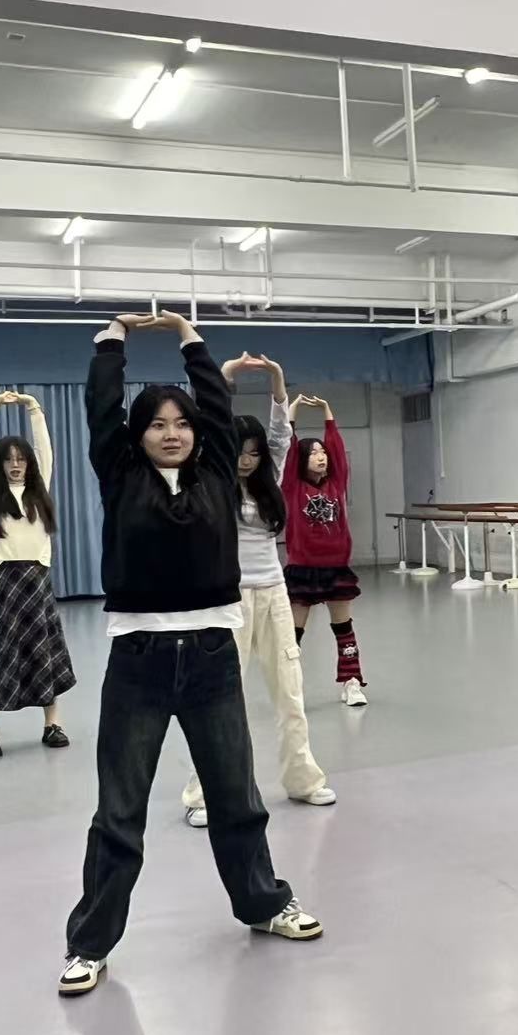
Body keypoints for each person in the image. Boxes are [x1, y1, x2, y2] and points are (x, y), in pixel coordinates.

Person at [60, 312, 321, 998]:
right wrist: (114, 339)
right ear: (137, 436)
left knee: (236, 798)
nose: (172, 433)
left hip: (211, 655)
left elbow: (214, 401)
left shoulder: (215, 470)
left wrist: (187, 335)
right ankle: (89, 943)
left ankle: (263, 903)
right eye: (157, 424)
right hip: (138, 658)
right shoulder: (120, 472)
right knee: (119, 811)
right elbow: (101, 408)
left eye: (181, 423)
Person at [182, 352, 336, 826]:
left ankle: (302, 780)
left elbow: (281, 436)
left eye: (253, 452)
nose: (247, 460)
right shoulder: (212, 479)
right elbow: (206, 426)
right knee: (222, 699)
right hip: (230, 601)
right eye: (240, 451)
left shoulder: (269, 481)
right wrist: (223, 378)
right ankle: (204, 794)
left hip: (274, 596)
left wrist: (277, 380)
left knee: (290, 692)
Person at [0, 390, 75, 757]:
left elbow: (45, 450)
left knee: (43, 652)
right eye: (9, 459)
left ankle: (52, 724)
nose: (15, 465)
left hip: (37, 580)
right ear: (0, 464)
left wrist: (33, 408)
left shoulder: (39, 488)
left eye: (21, 459)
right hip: (4, 580)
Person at [283, 393, 367, 707]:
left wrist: (328, 413)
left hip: (336, 568)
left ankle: (351, 682)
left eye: (323, 452)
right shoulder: (292, 486)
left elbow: (338, 452)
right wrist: (291, 411)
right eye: (313, 453)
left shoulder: (336, 483)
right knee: (293, 634)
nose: (321, 457)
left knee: (343, 628)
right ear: (301, 460)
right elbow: (286, 450)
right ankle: (289, 690)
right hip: (303, 568)